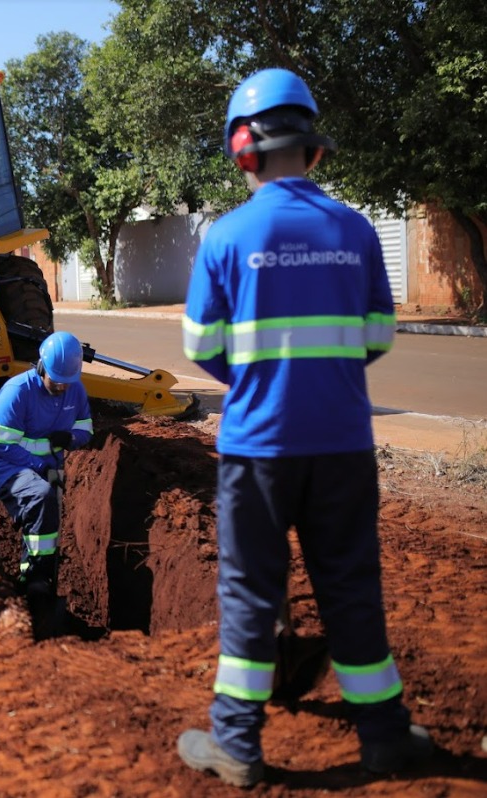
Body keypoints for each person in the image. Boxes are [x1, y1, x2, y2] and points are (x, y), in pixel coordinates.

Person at [177, 68, 431, 788]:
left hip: (257, 449)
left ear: (242, 149)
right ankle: (383, 736)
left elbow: (201, 348)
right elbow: (377, 334)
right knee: (352, 587)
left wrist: (262, 377)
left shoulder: (227, 237)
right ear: (313, 147)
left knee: (253, 595)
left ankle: (237, 745)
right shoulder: (354, 230)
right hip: (345, 444)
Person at [0, 331, 93, 639]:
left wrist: (71, 438)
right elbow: (5, 446)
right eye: (56, 380)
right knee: (41, 497)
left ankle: (44, 583)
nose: (61, 387)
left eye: (66, 382)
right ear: (41, 368)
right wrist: (44, 465)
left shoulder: (74, 390)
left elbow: (86, 427)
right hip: (11, 468)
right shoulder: (16, 392)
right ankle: (32, 579)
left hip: (48, 468)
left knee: (49, 515)